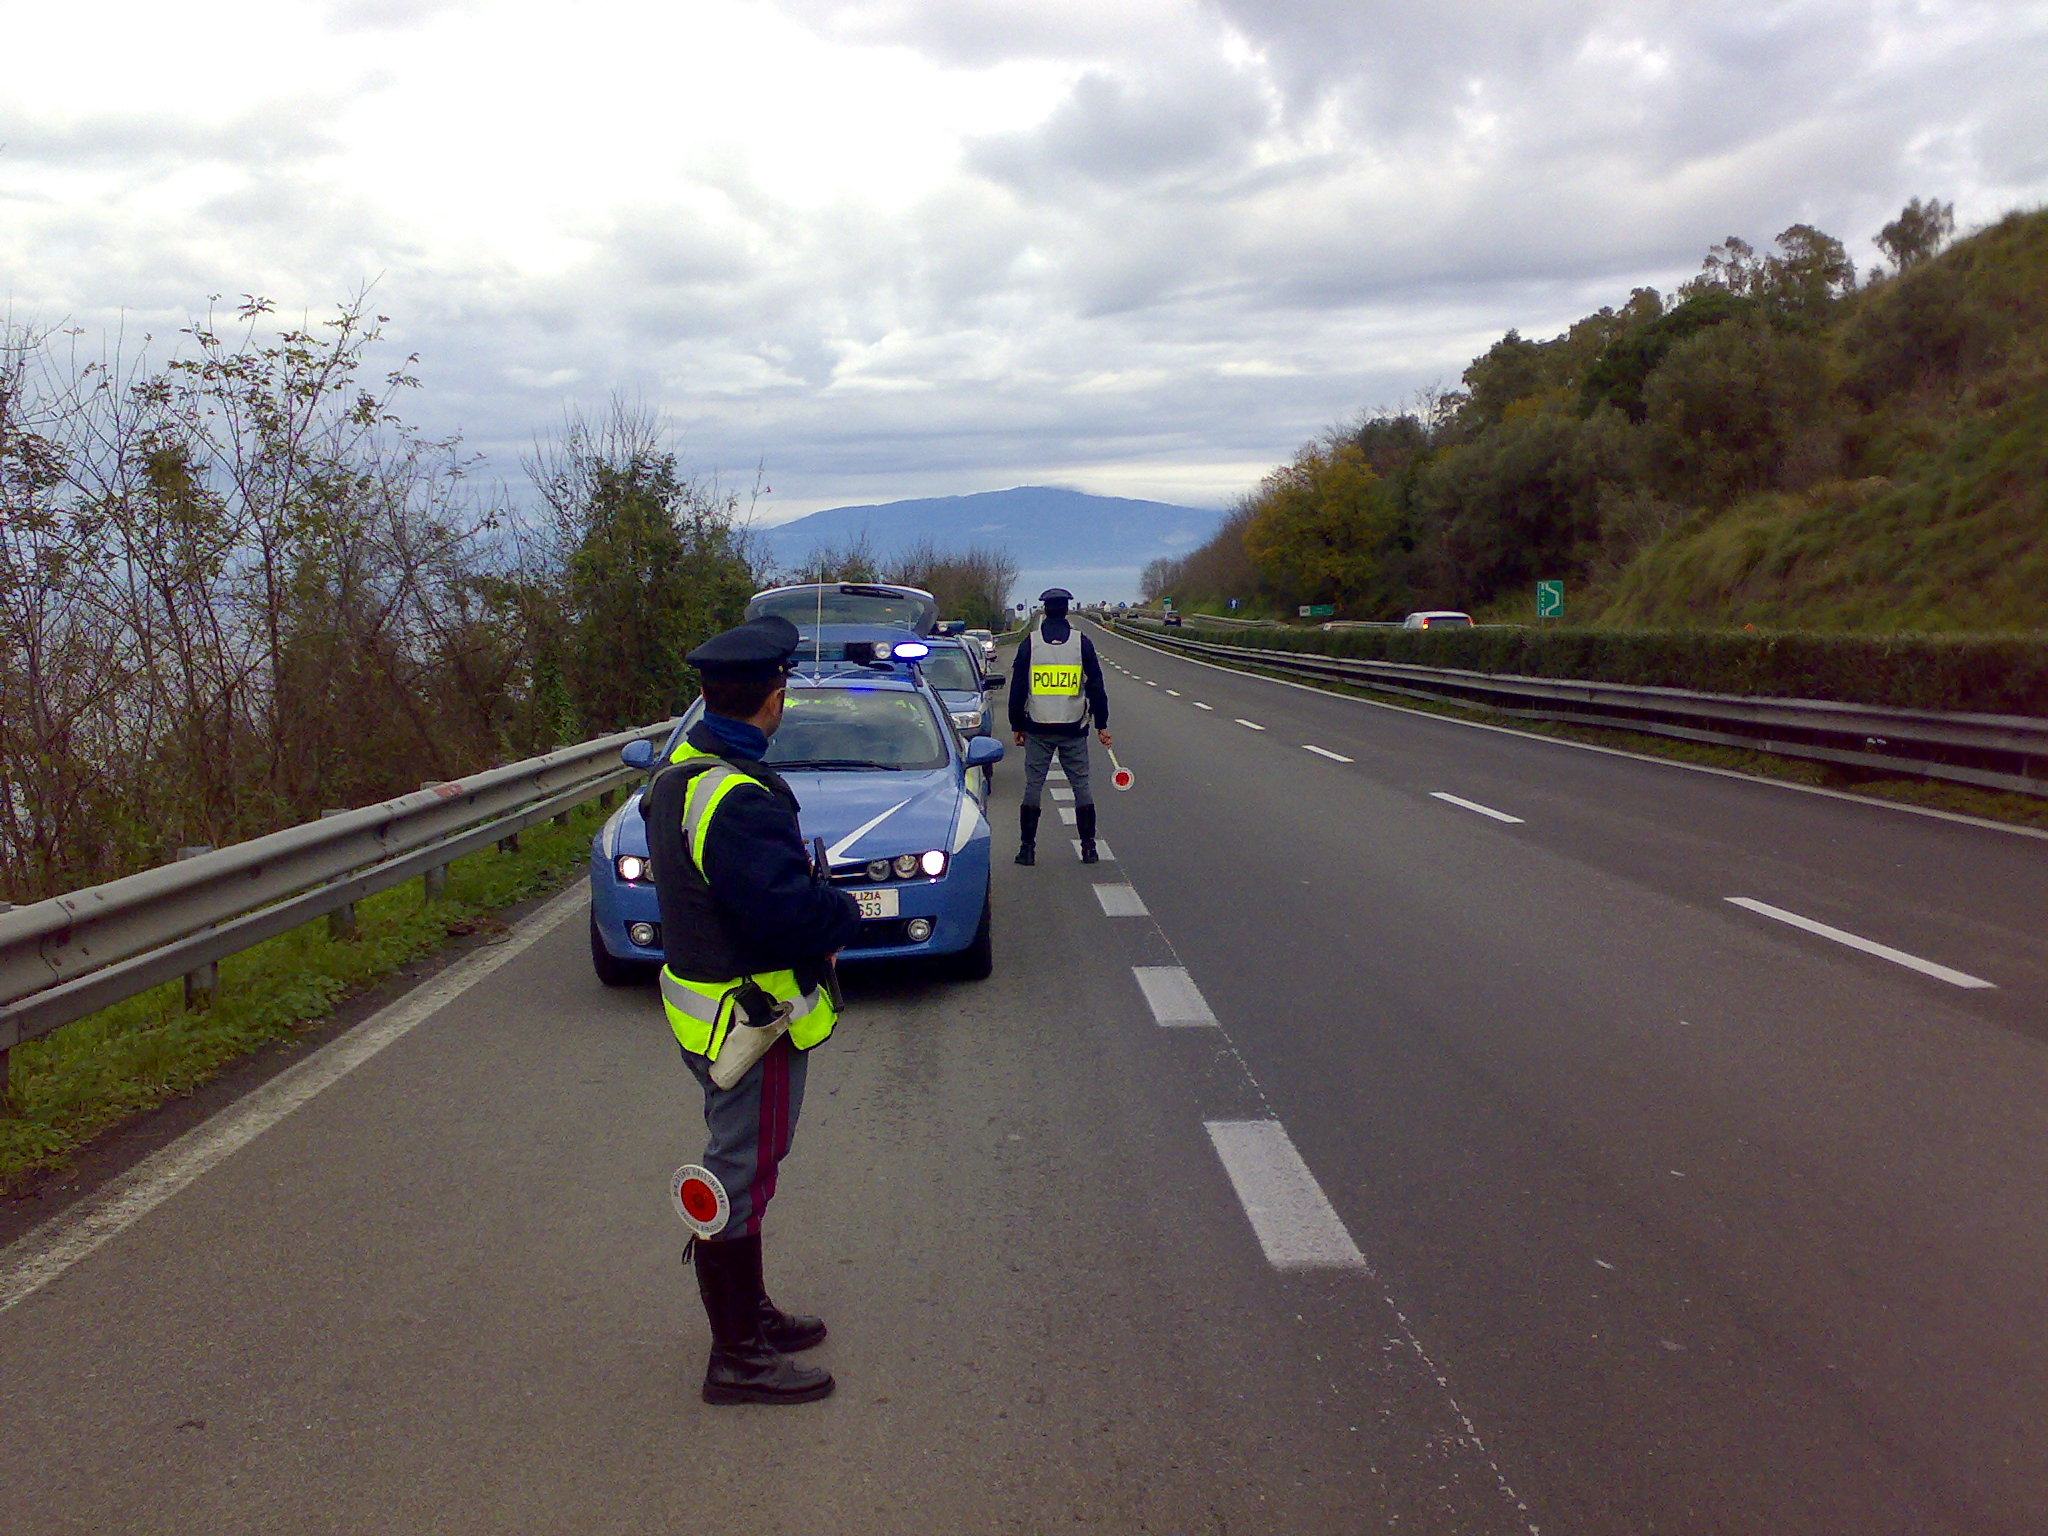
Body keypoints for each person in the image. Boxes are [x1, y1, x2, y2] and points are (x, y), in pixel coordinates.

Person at [640, 614, 863, 1406]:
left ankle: (754, 1316)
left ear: (707, 698)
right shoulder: (741, 799)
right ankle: (737, 1357)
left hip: (706, 1011)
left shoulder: (676, 778)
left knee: (749, 1170)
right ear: (775, 699)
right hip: (755, 1020)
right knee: (738, 1175)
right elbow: (781, 914)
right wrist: (840, 915)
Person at [1007, 586, 1112, 865]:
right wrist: (1102, 724)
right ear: (1066, 610)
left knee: (1033, 786)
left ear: (1043, 610)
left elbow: (1018, 688)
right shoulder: (1082, 643)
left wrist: (1017, 724)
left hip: (1038, 729)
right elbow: (1096, 687)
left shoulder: (1030, 643)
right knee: (1081, 786)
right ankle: (1089, 848)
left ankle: (1027, 849)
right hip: (1073, 728)